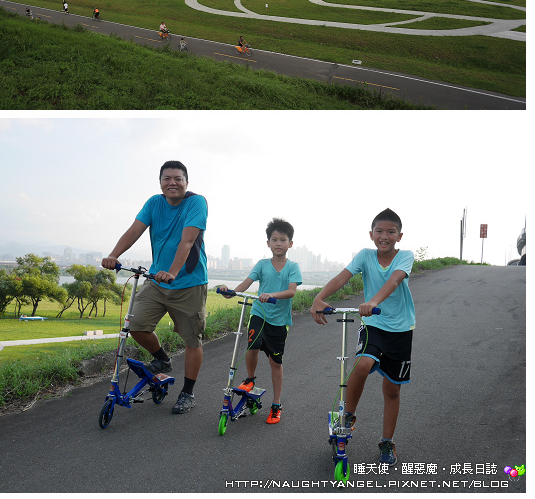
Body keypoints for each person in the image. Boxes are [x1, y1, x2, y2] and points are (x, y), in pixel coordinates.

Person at [310, 208, 415, 467]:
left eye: (391, 232)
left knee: (392, 389)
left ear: (399, 236)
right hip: (373, 324)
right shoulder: (365, 256)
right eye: (379, 231)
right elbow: (342, 277)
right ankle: (349, 415)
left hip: (401, 329)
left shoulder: (405, 257)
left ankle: (387, 442)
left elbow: (394, 281)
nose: (384, 236)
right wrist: (319, 297)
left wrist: (372, 301)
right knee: (361, 364)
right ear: (371, 234)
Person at [102, 161, 208, 414]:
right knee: (135, 324)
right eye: (167, 178)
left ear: (186, 182)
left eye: (178, 178)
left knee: (192, 340)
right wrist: (113, 255)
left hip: (189, 284)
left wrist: (172, 272)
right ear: (160, 183)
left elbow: (187, 239)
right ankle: (162, 359)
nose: (172, 182)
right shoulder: (154, 203)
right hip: (156, 281)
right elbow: (134, 230)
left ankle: (187, 393)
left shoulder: (196, 203)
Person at [218, 218, 302, 424]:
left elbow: (291, 291)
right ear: (268, 243)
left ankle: (276, 404)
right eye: (274, 239)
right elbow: (246, 283)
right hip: (259, 313)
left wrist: (270, 293)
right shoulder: (262, 264)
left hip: (279, 321)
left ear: (291, 243)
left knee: (275, 362)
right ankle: (250, 378)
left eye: (283, 240)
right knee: (253, 346)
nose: (278, 243)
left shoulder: (293, 266)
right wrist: (231, 293)